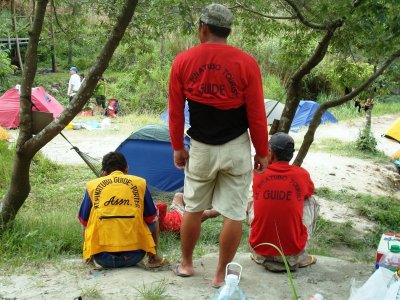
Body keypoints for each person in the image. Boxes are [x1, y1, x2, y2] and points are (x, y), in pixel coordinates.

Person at [168, 3, 269, 287]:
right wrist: (262, 151)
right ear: (228, 30)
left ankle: (186, 265)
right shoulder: (246, 63)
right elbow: (256, 115)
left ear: (203, 27)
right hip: (236, 146)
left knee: (193, 208)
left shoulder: (183, 61)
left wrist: (178, 146)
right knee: (233, 213)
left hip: (200, 147)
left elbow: (176, 112)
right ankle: (219, 276)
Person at [77, 152, 168, 269]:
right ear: (127, 168)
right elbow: (151, 217)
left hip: (102, 258)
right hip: (135, 256)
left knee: (86, 219)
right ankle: (153, 258)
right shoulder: (139, 183)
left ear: (104, 172)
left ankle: (87, 258)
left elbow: (83, 221)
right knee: (154, 216)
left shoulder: (92, 186)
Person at [248, 133, 320, 272]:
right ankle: (300, 257)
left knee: (253, 198)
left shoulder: (259, 172)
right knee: (310, 201)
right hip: (292, 250)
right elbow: (309, 191)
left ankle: (260, 256)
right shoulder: (302, 174)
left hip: (260, 246)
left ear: (271, 152)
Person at [156, 193, 220, 233]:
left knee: (178, 195)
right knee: (208, 213)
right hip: (183, 221)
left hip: (175, 213)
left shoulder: (151, 218)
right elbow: (162, 206)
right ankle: (224, 208)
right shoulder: (154, 222)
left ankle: (200, 205)